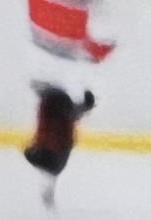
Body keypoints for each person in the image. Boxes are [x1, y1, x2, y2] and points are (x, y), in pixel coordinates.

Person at [24, 0, 114, 188]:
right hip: (60, 60)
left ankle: (52, 155)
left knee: (56, 106)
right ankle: (52, 154)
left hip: (55, 59)